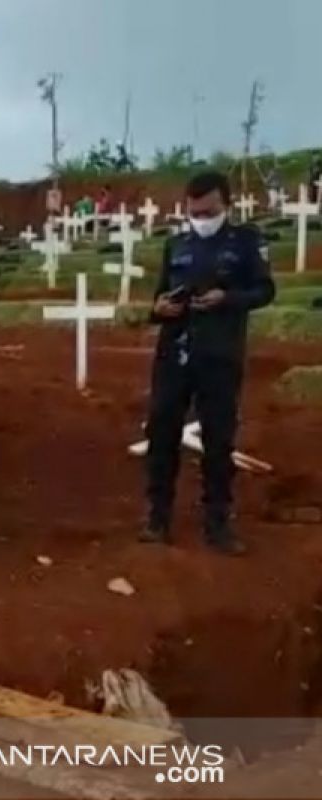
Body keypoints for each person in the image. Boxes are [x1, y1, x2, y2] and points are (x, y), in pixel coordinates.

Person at [143, 171, 275, 556]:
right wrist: (160, 308)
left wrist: (226, 298)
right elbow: (157, 301)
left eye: (208, 211)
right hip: (174, 355)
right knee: (162, 433)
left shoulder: (246, 241)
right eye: (194, 211)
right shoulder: (177, 244)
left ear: (226, 205)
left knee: (219, 440)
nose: (201, 218)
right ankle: (156, 518)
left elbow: (265, 290)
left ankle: (218, 523)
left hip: (220, 355)